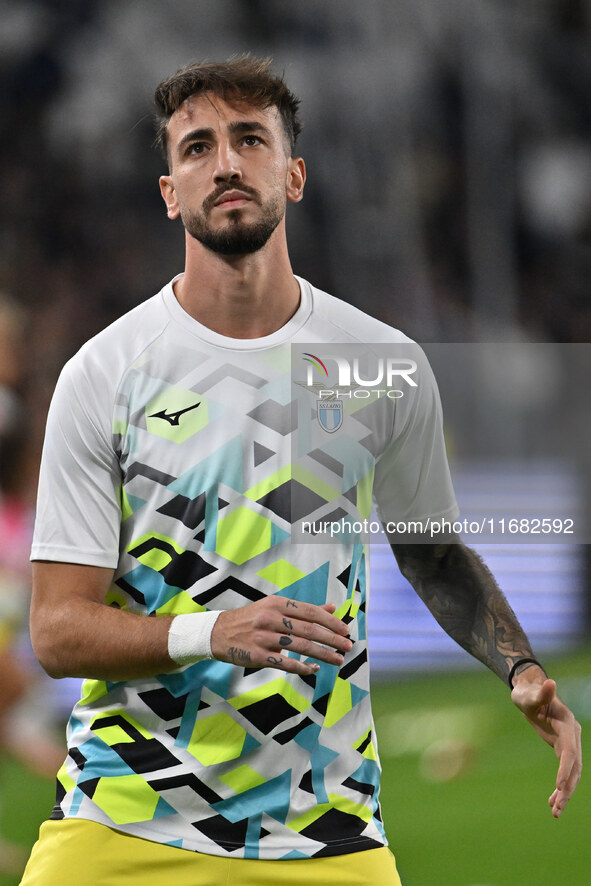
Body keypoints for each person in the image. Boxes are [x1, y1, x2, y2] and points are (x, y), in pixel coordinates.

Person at [20, 56, 581, 886]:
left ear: (294, 173)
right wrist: (209, 632)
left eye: (250, 139)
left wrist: (522, 668)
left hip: (324, 832)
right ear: (170, 190)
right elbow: (58, 631)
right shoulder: (104, 374)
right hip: (125, 820)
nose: (227, 163)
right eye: (198, 147)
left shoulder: (381, 363)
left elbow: (428, 551)